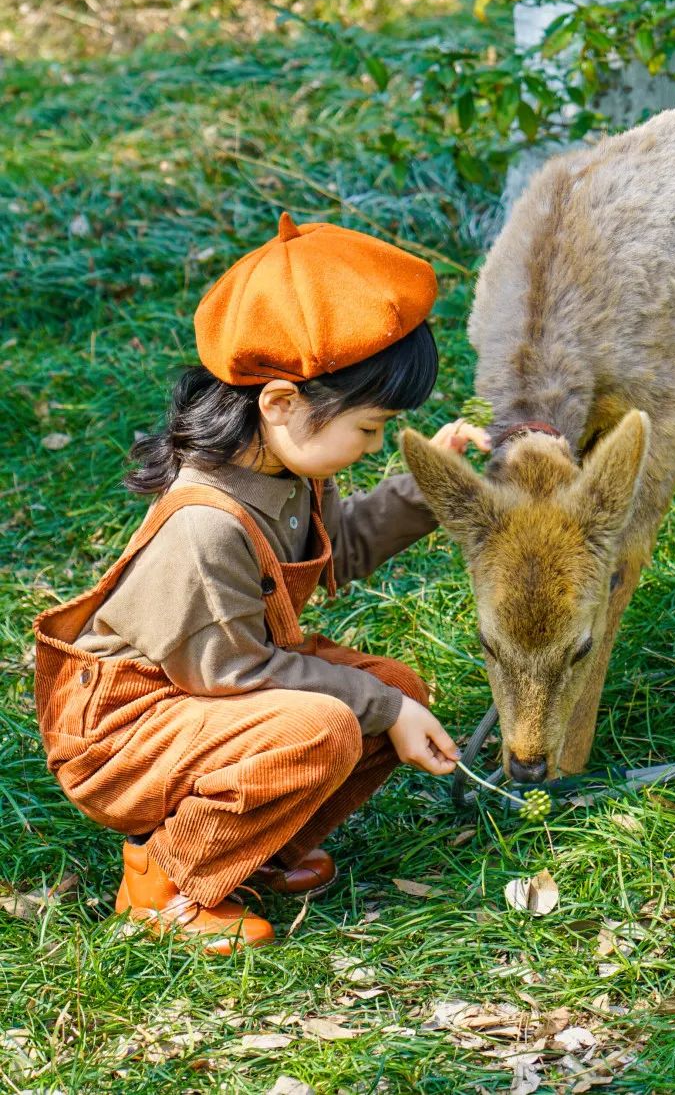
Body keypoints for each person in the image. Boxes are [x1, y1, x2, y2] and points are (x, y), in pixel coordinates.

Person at [34, 212, 488, 953]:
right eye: (369, 429)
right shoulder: (205, 526)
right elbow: (233, 673)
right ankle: (165, 881)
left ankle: (253, 847)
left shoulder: (282, 467)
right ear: (280, 403)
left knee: (390, 688)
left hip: (202, 695)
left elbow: (337, 549)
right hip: (127, 731)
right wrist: (380, 708)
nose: (373, 446)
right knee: (331, 723)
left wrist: (428, 486)